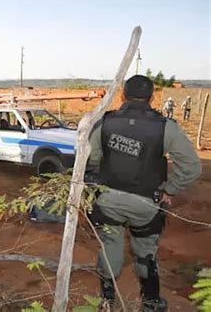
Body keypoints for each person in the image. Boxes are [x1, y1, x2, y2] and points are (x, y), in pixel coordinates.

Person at [87, 75, 202, 311]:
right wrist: (170, 189)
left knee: (110, 244)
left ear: (122, 95)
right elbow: (191, 167)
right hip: (147, 204)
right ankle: (150, 303)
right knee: (145, 251)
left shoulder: (104, 123)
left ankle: (106, 300)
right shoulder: (165, 127)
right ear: (152, 97)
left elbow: (91, 160)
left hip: (109, 199)